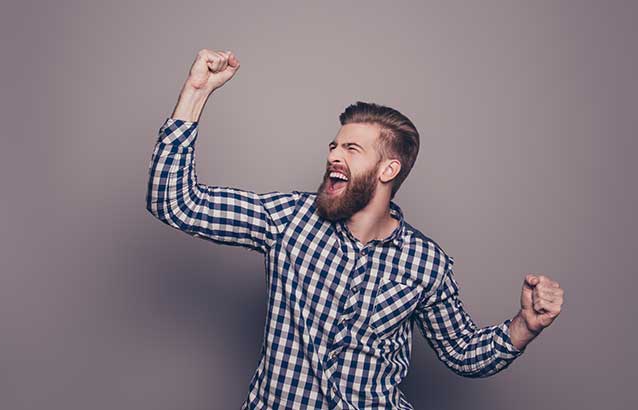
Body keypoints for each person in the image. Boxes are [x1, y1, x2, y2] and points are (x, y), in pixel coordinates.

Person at [146, 48, 565, 410]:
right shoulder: (289, 220)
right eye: (334, 145)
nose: (334, 155)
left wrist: (525, 325)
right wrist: (196, 93)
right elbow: (176, 203)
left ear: (388, 170)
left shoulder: (425, 263)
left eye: (351, 148)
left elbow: (463, 353)